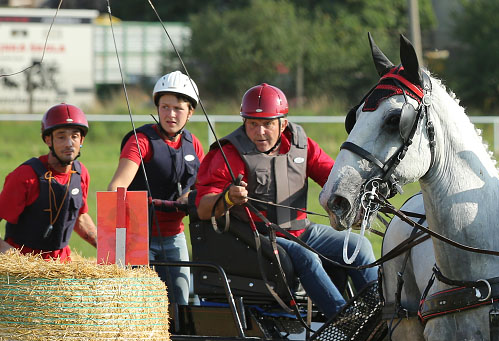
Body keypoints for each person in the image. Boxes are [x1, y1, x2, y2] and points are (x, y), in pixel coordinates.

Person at [195, 83, 376, 318]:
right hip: (259, 238)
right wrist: (228, 197)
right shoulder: (229, 154)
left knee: (358, 246)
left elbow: (334, 181)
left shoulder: (302, 145)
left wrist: (358, 205)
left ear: (283, 123)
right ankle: (343, 320)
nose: (260, 132)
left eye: (268, 124)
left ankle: (380, 315)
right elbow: (202, 208)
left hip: (303, 233)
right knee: (307, 257)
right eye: (252, 123)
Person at [107, 70, 204, 305]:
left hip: (174, 235)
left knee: (180, 304)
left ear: (190, 112)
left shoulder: (194, 145)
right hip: (138, 236)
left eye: (178, 108)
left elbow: (201, 188)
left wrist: (188, 196)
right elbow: (116, 187)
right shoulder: (141, 141)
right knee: (138, 306)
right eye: (165, 107)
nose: (170, 114)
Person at [0, 103, 97, 261]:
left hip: (61, 266)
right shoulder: (25, 175)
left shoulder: (81, 173)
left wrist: (111, 249)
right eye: (61, 137)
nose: (69, 143)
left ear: (82, 140)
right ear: (48, 140)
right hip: (23, 269)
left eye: (74, 136)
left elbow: (80, 217)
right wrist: (13, 258)